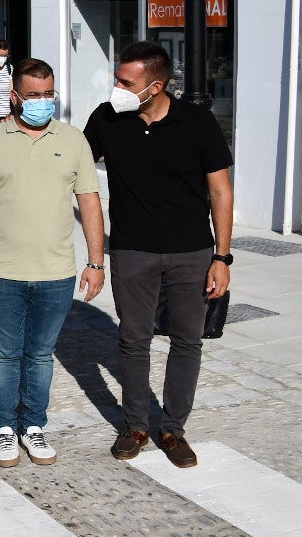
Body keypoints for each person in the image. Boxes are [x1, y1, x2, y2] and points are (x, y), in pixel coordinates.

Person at [84, 41, 233, 468]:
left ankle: (173, 429)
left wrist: (222, 258)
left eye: (126, 82)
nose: (117, 88)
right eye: (117, 79)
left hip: (192, 252)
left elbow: (221, 191)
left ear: (156, 86)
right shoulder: (106, 118)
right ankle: (135, 426)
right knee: (134, 340)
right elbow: (71, 166)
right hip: (132, 251)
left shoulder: (197, 121)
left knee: (187, 341)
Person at [0, 58, 106, 468]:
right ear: (15, 96)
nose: (43, 101)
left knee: (41, 355)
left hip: (57, 273)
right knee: (5, 353)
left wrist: (96, 263)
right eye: (34, 95)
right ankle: (5, 428)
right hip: (2, 272)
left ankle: (34, 425)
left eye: (48, 94)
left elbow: (90, 203)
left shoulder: (74, 140)